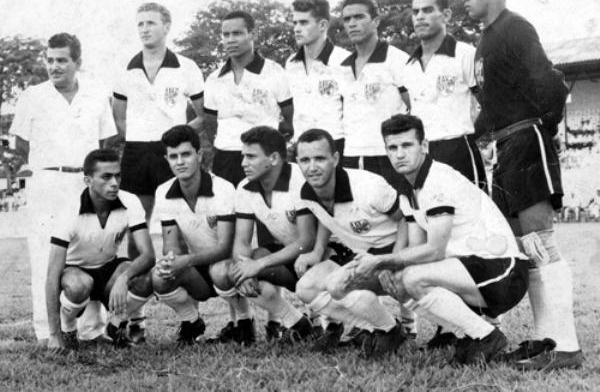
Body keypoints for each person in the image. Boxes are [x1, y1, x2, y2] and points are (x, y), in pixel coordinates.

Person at [329, 114, 529, 365]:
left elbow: (433, 251)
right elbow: (415, 248)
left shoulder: (438, 179)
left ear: (424, 146)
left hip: (503, 272)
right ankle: (467, 334)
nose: (399, 154)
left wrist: (381, 261)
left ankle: (487, 336)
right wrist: (389, 268)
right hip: (472, 272)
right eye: (392, 147)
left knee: (413, 277)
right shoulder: (408, 189)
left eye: (407, 145)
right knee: (402, 279)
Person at [463, 0, 582, 369]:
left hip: (525, 139)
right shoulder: (485, 41)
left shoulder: (516, 28)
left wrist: (539, 129)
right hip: (504, 147)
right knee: (522, 249)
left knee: (539, 242)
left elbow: (550, 83)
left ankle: (565, 347)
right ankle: (543, 340)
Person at [9, 33, 116, 343]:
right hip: (46, 183)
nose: (54, 66)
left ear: (77, 63)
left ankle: (91, 330)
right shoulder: (33, 95)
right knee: (44, 254)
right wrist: (48, 165)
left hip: (84, 182)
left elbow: (105, 141)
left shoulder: (95, 96)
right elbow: (20, 143)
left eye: (61, 60)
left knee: (90, 251)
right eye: (50, 60)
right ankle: (46, 330)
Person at [293, 128, 405, 357]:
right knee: (306, 287)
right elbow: (328, 216)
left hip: (397, 252)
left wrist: (391, 261)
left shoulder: (368, 186)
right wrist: (317, 250)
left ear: (335, 159)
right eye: (305, 160)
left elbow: (406, 220)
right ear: (297, 162)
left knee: (338, 284)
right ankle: (371, 328)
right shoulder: (307, 191)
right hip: (363, 255)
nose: (312, 167)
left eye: (320, 158)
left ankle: (390, 331)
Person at [210, 126, 316, 343]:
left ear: (274, 158)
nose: (243, 163)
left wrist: (258, 265)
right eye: (243, 156)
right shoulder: (244, 187)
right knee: (245, 264)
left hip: (319, 256)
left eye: (251, 156)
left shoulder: (299, 180)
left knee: (263, 262)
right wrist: (245, 268)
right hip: (289, 257)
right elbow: (241, 240)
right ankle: (296, 322)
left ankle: (330, 323)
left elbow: (307, 241)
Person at [152, 125, 252, 345]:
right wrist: (170, 261)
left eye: (186, 154)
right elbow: (171, 244)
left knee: (219, 269)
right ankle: (192, 321)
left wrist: (184, 260)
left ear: (199, 155)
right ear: (166, 159)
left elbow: (225, 247)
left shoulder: (223, 188)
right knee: (158, 276)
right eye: (173, 156)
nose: (180, 162)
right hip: (197, 268)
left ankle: (244, 322)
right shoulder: (163, 191)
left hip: (227, 265)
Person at [45, 149, 155, 350]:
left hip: (108, 270)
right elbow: (52, 276)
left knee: (146, 277)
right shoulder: (69, 210)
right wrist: (53, 334)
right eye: (106, 177)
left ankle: (116, 324)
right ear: (88, 180)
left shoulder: (130, 201)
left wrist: (123, 278)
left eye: (117, 175)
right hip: (75, 271)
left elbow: (148, 255)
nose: (114, 183)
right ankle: (68, 328)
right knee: (79, 285)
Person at [112, 2, 206, 219]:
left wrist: (176, 139)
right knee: (136, 221)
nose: (144, 29)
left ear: (166, 26)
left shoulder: (186, 66)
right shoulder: (124, 67)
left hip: (172, 153)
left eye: (151, 23)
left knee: (179, 218)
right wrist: (139, 136)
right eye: (140, 24)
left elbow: (203, 117)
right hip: (136, 153)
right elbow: (118, 118)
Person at [404, 0, 486, 191]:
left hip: (457, 149)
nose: (420, 17)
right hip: (422, 154)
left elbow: (489, 103)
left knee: (471, 216)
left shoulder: (465, 54)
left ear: (446, 15)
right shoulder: (409, 65)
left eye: (428, 10)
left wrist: (472, 139)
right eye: (415, 12)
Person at [204, 11, 294, 186]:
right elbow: (210, 124)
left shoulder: (274, 72)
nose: (230, 39)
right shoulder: (214, 79)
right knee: (227, 210)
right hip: (225, 157)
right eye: (226, 34)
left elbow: (290, 119)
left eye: (237, 33)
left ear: (253, 34)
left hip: (263, 159)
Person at [337, 0, 410, 186]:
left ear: (376, 21)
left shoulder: (397, 60)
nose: (352, 23)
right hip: (351, 155)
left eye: (359, 17)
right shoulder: (342, 67)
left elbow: (416, 108)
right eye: (347, 19)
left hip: (388, 156)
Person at [286, 0, 347, 158]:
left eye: (304, 22)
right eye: (295, 23)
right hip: (301, 148)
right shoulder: (291, 64)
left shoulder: (344, 61)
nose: (297, 29)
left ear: (322, 25)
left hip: (336, 146)